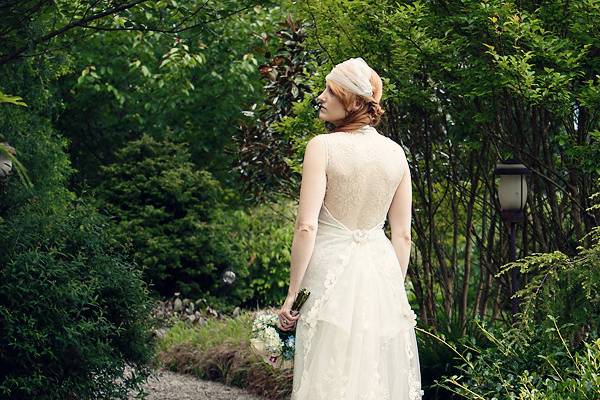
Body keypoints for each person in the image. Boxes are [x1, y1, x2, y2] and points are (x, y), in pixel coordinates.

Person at [278, 57, 424, 400]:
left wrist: (292, 296)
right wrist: (393, 289)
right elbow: (402, 234)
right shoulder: (396, 154)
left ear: (355, 102)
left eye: (331, 91)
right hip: (379, 275)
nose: (321, 96)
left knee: (327, 376)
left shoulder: (322, 147)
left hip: (328, 276)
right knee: (374, 377)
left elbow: (306, 227)